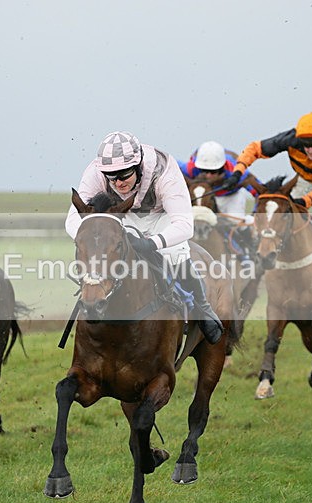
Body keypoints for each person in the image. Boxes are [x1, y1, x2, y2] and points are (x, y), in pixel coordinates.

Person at [65, 131, 224, 344]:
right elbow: (73, 220)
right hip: (123, 217)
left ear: (138, 166)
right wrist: (96, 241)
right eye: (111, 177)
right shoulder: (96, 172)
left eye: (124, 175)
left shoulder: (164, 169)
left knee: (176, 253)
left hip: (162, 216)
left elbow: (185, 225)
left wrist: (151, 243)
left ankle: (202, 308)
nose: (118, 182)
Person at [228, 112, 312, 284]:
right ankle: (270, 257)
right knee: (283, 218)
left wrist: (304, 202)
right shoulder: (290, 138)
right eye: (305, 145)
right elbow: (255, 148)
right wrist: (238, 170)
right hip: (303, 179)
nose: (310, 150)